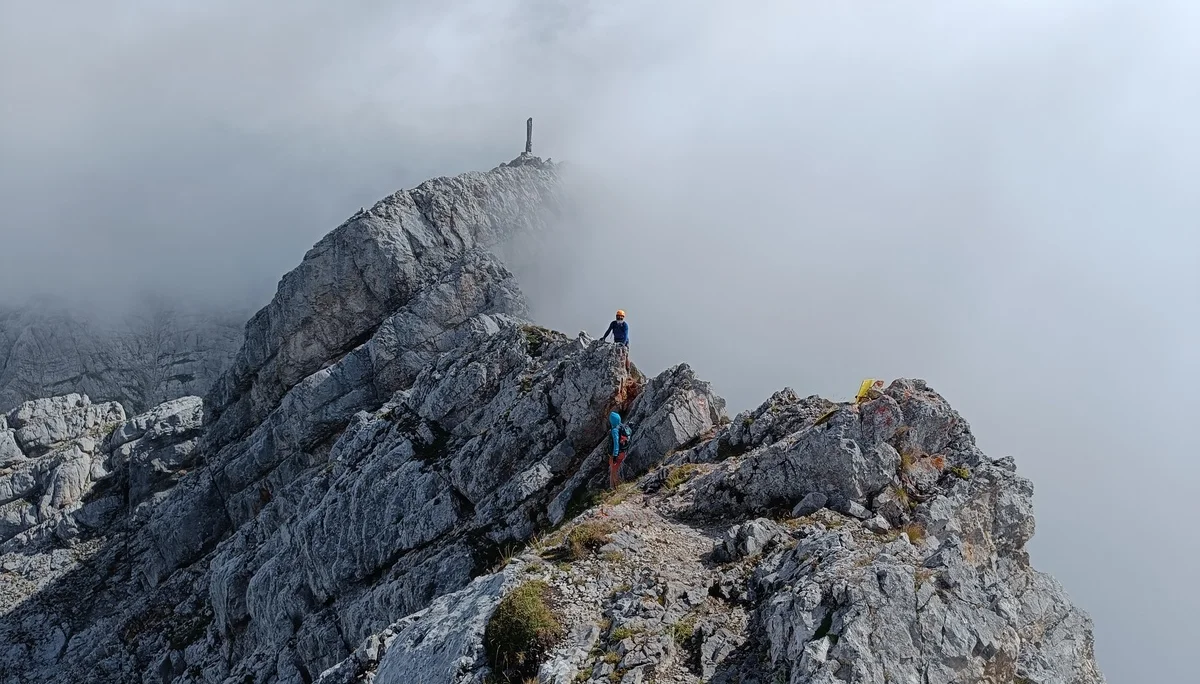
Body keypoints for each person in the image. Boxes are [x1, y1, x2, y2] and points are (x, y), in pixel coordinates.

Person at [609, 411, 632, 488]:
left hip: (616, 454)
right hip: (623, 452)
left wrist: (615, 455)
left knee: (614, 471)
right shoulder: (622, 426)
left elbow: (616, 443)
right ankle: (612, 487)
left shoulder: (615, 430)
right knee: (614, 470)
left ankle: (617, 488)